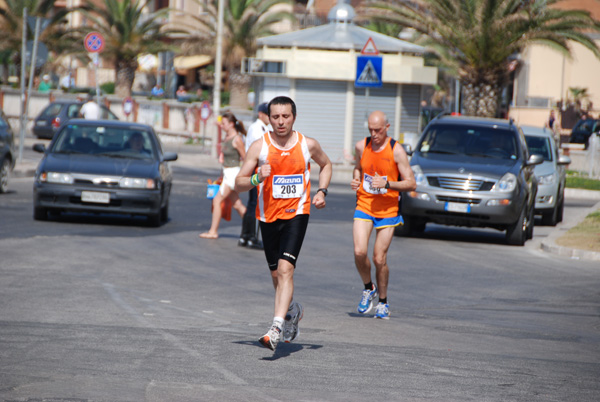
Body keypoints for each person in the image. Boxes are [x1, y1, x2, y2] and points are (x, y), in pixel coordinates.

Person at [235, 96, 332, 351]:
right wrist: (257, 176)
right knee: (276, 275)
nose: (280, 121)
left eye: (285, 116)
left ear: (294, 117)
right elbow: (239, 182)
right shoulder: (259, 147)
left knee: (286, 269)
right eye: (275, 116)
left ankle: (276, 327)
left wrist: (322, 191)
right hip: (268, 216)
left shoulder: (307, 145)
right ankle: (292, 311)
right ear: (269, 117)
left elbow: (326, 164)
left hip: (297, 213)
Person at [351, 111, 416, 320]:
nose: (374, 134)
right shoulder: (361, 146)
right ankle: (369, 287)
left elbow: (411, 183)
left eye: (377, 130)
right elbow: (357, 169)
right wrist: (355, 179)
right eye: (370, 129)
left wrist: (387, 183)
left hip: (388, 209)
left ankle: (383, 302)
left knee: (379, 257)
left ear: (387, 127)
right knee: (359, 252)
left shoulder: (396, 151)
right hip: (365, 204)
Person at [199, 112, 247, 239]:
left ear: (231, 124)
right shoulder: (227, 137)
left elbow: (245, 158)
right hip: (227, 173)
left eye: (224, 123)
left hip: (233, 173)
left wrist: (242, 175)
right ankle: (251, 229)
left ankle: (213, 231)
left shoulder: (237, 139)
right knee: (237, 204)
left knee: (217, 199)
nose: (222, 125)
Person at [238, 102, 271, 249]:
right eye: (268, 114)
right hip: (254, 168)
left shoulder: (262, 128)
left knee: (253, 203)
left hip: (256, 168)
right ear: (261, 114)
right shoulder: (257, 128)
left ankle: (246, 236)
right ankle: (250, 236)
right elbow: (262, 148)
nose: (270, 117)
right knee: (255, 204)